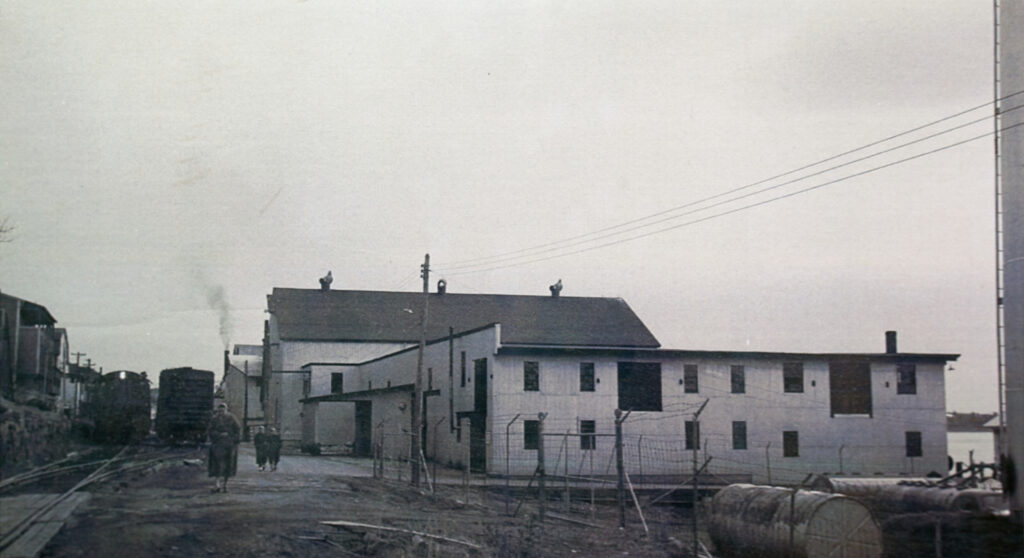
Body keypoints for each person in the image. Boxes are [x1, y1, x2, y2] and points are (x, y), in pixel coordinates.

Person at [206, 402, 240, 492]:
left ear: (226, 409)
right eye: (220, 411)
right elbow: (210, 431)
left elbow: (238, 431)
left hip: (229, 445)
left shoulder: (232, 418)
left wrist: (232, 439)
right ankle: (217, 485)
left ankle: (225, 485)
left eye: (223, 410)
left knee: (228, 465)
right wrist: (219, 435)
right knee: (217, 465)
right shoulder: (214, 419)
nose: (221, 412)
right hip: (218, 445)